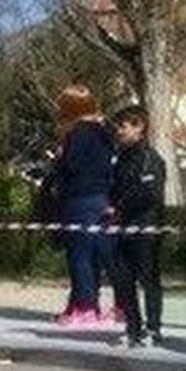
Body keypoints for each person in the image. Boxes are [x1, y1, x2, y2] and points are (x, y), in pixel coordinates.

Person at [49, 84, 116, 327]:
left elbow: (73, 167)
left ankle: (85, 308)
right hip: (101, 197)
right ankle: (88, 305)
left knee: (79, 256)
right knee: (94, 256)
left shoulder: (77, 134)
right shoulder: (104, 132)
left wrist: (59, 158)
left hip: (79, 198)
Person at [109, 104, 166, 348]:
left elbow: (149, 193)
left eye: (123, 126)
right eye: (118, 127)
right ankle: (133, 327)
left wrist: (119, 207)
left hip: (146, 226)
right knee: (123, 279)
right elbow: (114, 188)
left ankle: (153, 329)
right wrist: (112, 207)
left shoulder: (150, 158)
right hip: (123, 228)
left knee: (148, 278)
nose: (119, 131)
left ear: (139, 127)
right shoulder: (120, 158)